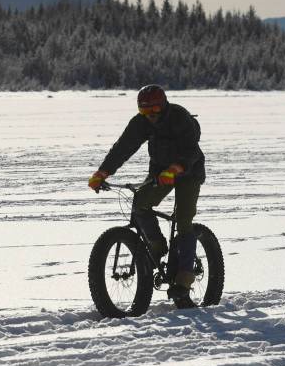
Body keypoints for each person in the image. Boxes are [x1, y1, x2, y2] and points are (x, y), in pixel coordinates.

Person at [88, 84, 205, 301]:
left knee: (184, 220)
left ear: (164, 105)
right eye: (144, 110)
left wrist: (176, 168)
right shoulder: (140, 123)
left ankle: (184, 279)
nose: (150, 115)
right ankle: (157, 247)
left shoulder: (179, 117)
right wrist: (102, 172)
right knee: (140, 202)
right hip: (160, 173)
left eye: (154, 110)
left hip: (188, 172)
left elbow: (191, 150)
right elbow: (123, 147)